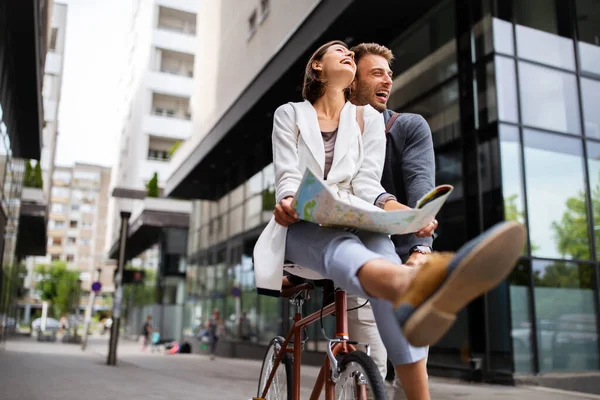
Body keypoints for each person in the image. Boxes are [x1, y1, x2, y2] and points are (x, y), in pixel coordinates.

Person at [254, 40, 524, 396]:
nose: (347, 54)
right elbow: (288, 175)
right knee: (341, 247)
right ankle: (417, 282)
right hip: (304, 223)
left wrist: (411, 218)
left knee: (381, 254)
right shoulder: (289, 114)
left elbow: (369, 185)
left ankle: (417, 379)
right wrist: (288, 200)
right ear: (316, 67)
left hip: (355, 216)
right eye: (339, 51)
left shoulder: (366, 119)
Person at [344, 42, 436, 399]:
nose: (387, 81)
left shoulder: (407, 126)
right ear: (352, 82)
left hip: (409, 259)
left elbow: (420, 184)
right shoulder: (336, 132)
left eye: (390, 74)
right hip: (363, 259)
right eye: (376, 73)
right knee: (371, 370)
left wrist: (421, 246)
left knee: (410, 369)